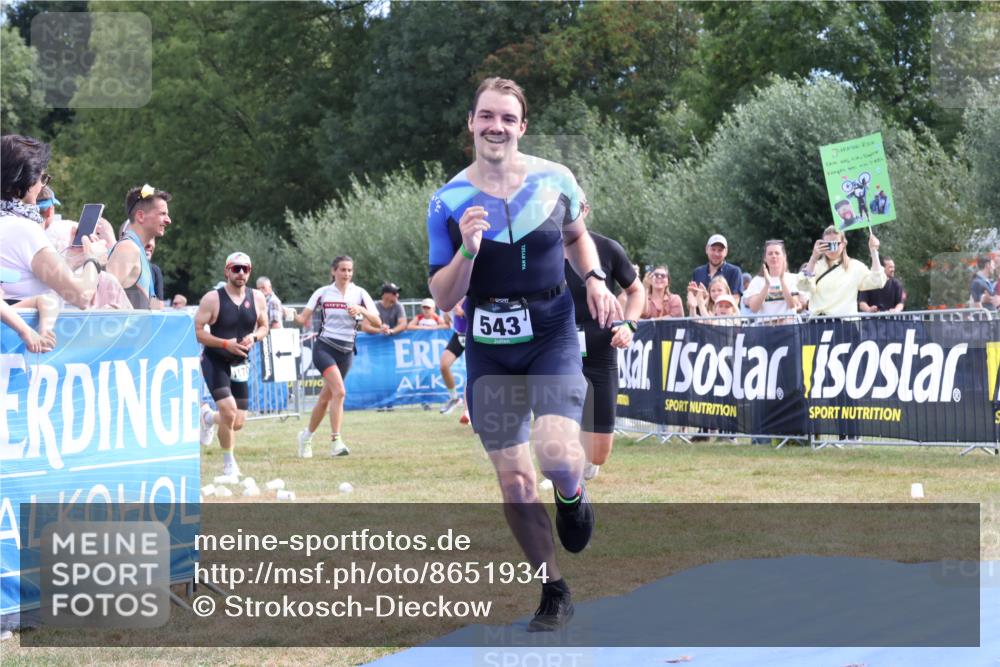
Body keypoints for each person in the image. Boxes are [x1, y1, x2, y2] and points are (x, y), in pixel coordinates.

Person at [426, 77, 622, 632]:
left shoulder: (555, 180)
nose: (496, 127)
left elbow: (576, 236)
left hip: (551, 330)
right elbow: (444, 296)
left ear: (522, 126)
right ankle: (552, 588)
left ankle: (572, 490)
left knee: (558, 452)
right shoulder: (447, 200)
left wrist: (596, 279)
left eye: (507, 119)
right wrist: (467, 247)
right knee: (513, 481)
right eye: (486, 116)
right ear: (471, 122)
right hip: (488, 347)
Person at [565, 222, 644, 481]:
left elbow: (636, 290)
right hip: (558, 350)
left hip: (601, 352)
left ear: (583, 210)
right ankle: (566, 469)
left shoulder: (607, 248)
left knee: (599, 453)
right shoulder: (539, 250)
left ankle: (586, 460)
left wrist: (629, 325)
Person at [0, 134, 107, 309]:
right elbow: (81, 296)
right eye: (43, 178)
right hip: (24, 334)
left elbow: (22, 281)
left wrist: (71, 260)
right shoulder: (24, 229)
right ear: (28, 179)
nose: (43, 185)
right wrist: (94, 260)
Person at [295, 255, 381, 458]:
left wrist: (361, 310)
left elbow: (377, 322)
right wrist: (287, 314)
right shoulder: (323, 293)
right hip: (324, 348)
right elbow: (302, 318)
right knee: (340, 392)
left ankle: (306, 437)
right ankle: (336, 442)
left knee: (325, 398)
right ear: (333, 271)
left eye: (350, 270)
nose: (347, 274)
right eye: (342, 270)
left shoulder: (359, 293)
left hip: (347, 351)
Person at [195, 252, 269, 478]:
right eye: (235, 268)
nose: (240, 273)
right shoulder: (213, 298)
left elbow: (264, 326)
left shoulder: (257, 297)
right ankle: (229, 464)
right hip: (215, 361)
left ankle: (207, 418)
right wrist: (226, 344)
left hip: (240, 363)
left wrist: (254, 337)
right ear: (227, 271)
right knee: (228, 411)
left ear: (250, 272)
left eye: (245, 269)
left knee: (237, 422)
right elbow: (198, 332)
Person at [106, 183, 172, 309]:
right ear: (141, 216)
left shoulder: (137, 249)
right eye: (162, 214)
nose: (168, 220)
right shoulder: (128, 248)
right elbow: (102, 302)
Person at [799, 226, 885, 316]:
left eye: (835, 244)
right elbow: (803, 286)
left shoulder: (855, 266)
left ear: (844, 244)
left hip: (846, 324)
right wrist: (813, 258)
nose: (832, 249)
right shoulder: (816, 266)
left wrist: (874, 252)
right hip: (819, 323)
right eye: (827, 245)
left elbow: (878, 281)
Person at [742, 240, 801, 322]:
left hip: (788, 326)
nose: (774, 256)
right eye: (770, 253)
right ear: (765, 258)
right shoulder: (757, 280)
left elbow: (793, 305)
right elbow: (754, 308)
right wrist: (766, 285)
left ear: (784, 257)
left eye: (777, 253)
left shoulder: (792, 278)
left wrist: (782, 281)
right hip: (765, 327)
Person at [438, 298, 468, 416]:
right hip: (459, 335)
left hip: (474, 335)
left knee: (471, 374)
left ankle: (467, 411)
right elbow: (447, 321)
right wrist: (446, 315)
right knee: (444, 366)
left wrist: (463, 313)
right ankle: (454, 398)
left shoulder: (473, 291)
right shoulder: (453, 295)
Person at [145, 237, 165, 306]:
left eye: (152, 240)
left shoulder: (155, 270)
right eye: (145, 239)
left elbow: (159, 305)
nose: (150, 244)